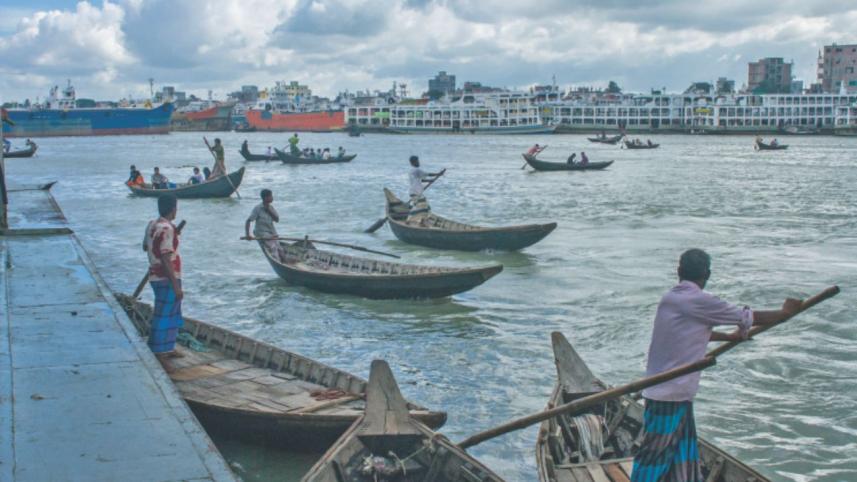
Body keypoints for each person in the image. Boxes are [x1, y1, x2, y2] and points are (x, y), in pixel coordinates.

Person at [631, 249, 802, 482]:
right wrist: (784, 313)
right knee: (653, 456)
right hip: (668, 394)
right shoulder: (698, 300)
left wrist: (730, 338)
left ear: (679, 272)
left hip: (673, 393)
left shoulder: (671, 298)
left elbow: (692, 333)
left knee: (683, 454)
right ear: (707, 274)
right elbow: (747, 316)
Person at [143, 194, 184, 359]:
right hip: (167, 277)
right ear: (173, 209)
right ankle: (159, 353)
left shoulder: (152, 225)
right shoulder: (167, 229)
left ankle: (168, 347)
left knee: (171, 313)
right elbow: (166, 259)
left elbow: (145, 246)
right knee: (164, 316)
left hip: (156, 275)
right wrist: (176, 286)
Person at [245, 189, 282, 261]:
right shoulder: (258, 208)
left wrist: (268, 211)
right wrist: (247, 235)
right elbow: (248, 221)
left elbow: (277, 220)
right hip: (261, 233)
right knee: (273, 248)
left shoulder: (271, 208)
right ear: (265, 198)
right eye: (270, 196)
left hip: (271, 233)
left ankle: (285, 261)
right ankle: (278, 261)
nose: (272, 198)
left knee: (280, 250)